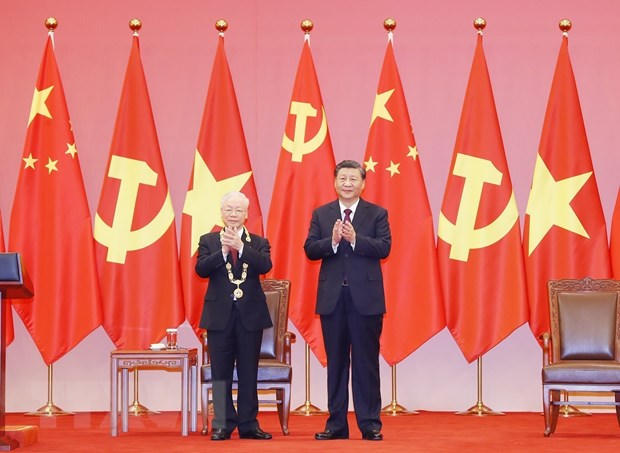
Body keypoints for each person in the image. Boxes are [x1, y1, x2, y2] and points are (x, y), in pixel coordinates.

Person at [304, 160, 391, 441]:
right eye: (343, 178)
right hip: (333, 301)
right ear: (335, 182)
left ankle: (370, 424)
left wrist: (356, 239)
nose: (348, 183)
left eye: (353, 179)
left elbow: (384, 247)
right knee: (337, 363)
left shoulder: (377, 213)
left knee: (366, 364)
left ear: (363, 184)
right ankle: (336, 425)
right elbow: (310, 249)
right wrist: (331, 241)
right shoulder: (322, 214)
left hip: (365, 301)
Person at [195, 191, 273, 440]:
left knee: (249, 371)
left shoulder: (258, 242)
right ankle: (222, 423)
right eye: (228, 209)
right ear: (222, 213)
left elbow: (265, 266)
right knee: (220, 372)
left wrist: (241, 248)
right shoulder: (208, 240)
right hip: (219, 316)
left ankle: (249, 424)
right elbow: (201, 269)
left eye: (238, 210)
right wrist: (223, 252)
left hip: (251, 316)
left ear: (246, 214)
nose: (233, 214)